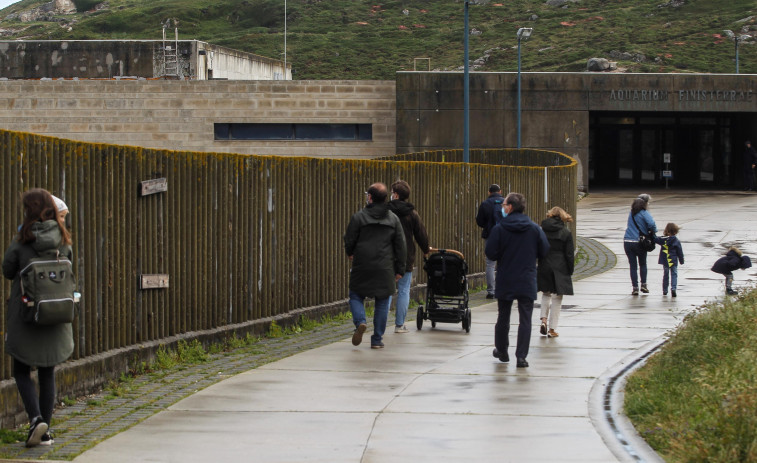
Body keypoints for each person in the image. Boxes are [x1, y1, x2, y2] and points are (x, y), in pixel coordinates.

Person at [2, 188, 75, 447]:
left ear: (29, 211)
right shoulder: (64, 240)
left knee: (21, 370)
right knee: (47, 372)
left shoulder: (22, 241)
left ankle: (35, 418)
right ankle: (45, 432)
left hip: (27, 316)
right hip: (56, 316)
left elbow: (7, 269)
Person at [485, 193, 549, 368]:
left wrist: (503, 255)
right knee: (525, 318)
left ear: (510, 207)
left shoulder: (499, 229)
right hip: (527, 278)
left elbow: (490, 252)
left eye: (504, 204)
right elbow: (544, 250)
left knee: (503, 316)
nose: (502, 207)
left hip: (506, 276)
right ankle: (521, 356)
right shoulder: (534, 229)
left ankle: (502, 350)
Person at [343, 183, 407, 349]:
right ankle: (377, 339)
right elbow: (401, 245)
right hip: (385, 268)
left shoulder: (359, 217)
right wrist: (400, 269)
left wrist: (350, 252)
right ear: (386, 198)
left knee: (356, 295)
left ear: (370, 197)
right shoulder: (393, 219)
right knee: (382, 301)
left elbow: (349, 238)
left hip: (362, 265)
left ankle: (360, 322)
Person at [387, 180, 431, 333]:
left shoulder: (386, 211)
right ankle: (399, 325)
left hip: (387, 255)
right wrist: (425, 249)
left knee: (387, 290)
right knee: (404, 290)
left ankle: (380, 325)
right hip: (406, 256)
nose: (391, 195)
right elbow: (421, 234)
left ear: (396, 195)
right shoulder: (412, 213)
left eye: (392, 192)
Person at [537, 207, 574, 338]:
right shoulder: (566, 232)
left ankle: (543, 320)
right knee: (557, 297)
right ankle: (552, 329)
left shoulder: (542, 231)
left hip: (545, 264)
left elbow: (538, 248)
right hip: (560, 266)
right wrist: (570, 269)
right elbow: (569, 254)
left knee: (546, 294)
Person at [476, 184, 505, 299]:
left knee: (490, 264)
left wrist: (488, 226)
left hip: (490, 236)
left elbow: (479, 221)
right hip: (504, 236)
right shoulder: (506, 203)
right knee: (504, 263)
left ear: (489, 192)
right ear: (500, 191)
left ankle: (491, 291)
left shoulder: (485, 204)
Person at [623, 197, 657, 295]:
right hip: (639, 242)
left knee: (632, 266)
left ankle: (635, 287)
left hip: (627, 241)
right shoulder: (644, 213)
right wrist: (652, 231)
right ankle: (644, 285)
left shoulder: (631, 213)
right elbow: (651, 224)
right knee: (642, 264)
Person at [654, 223, 684, 297]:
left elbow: (655, 239)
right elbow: (679, 251)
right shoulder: (676, 241)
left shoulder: (663, 240)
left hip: (665, 260)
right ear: (675, 231)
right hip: (673, 260)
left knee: (666, 275)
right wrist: (681, 260)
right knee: (674, 274)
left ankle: (665, 290)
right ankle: (673, 289)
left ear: (666, 230)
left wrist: (651, 233)